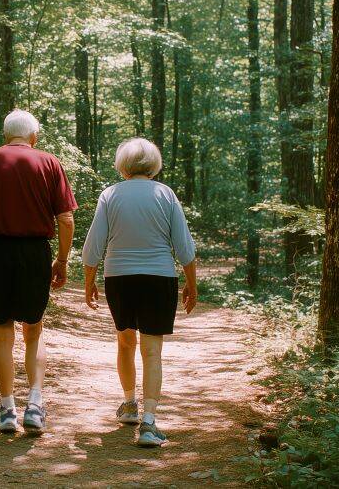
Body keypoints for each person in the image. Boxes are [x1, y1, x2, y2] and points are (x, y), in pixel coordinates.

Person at [0, 109, 77, 435]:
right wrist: (62, 261)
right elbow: (66, 219)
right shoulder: (50, 163)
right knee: (33, 330)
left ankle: (7, 410)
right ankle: (34, 405)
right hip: (35, 252)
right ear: (33, 136)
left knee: (2, 331)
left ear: (6, 136)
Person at [81, 138, 198, 447]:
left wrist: (89, 281)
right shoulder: (165, 194)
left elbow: (93, 246)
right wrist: (192, 284)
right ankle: (148, 422)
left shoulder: (110, 195)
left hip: (119, 278)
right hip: (159, 278)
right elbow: (184, 247)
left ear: (123, 164)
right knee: (152, 351)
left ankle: (130, 403)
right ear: (153, 163)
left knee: (124, 341)